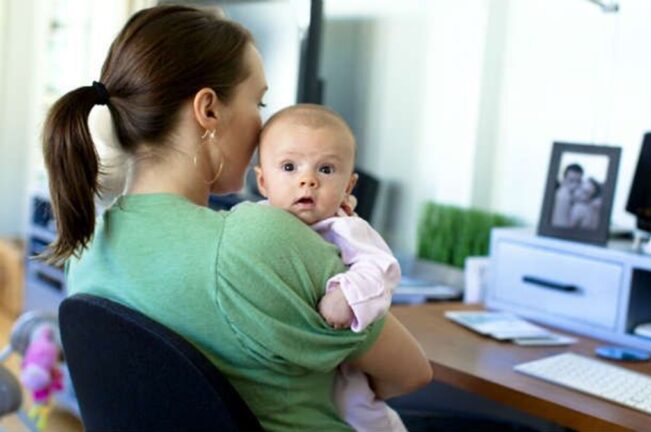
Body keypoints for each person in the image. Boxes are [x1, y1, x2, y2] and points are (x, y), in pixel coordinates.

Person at [41, 5, 431, 431]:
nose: (263, 125)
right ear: (208, 110)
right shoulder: (255, 240)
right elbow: (410, 373)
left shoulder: (86, 246)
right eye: (258, 101)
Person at [254, 103, 405, 431]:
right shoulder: (257, 221)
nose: (307, 180)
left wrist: (345, 295)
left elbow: (381, 268)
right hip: (290, 364)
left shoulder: (344, 227)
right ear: (263, 182)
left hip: (343, 361)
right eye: (290, 166)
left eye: (325, 170)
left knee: (360, 411)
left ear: (348, 187)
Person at [551, 163, 583, 227]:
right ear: (564, 179)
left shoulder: (574, 197)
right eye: (571, 181)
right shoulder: (563, 196)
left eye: (578, 181)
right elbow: (561, 226)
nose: (575, 185)